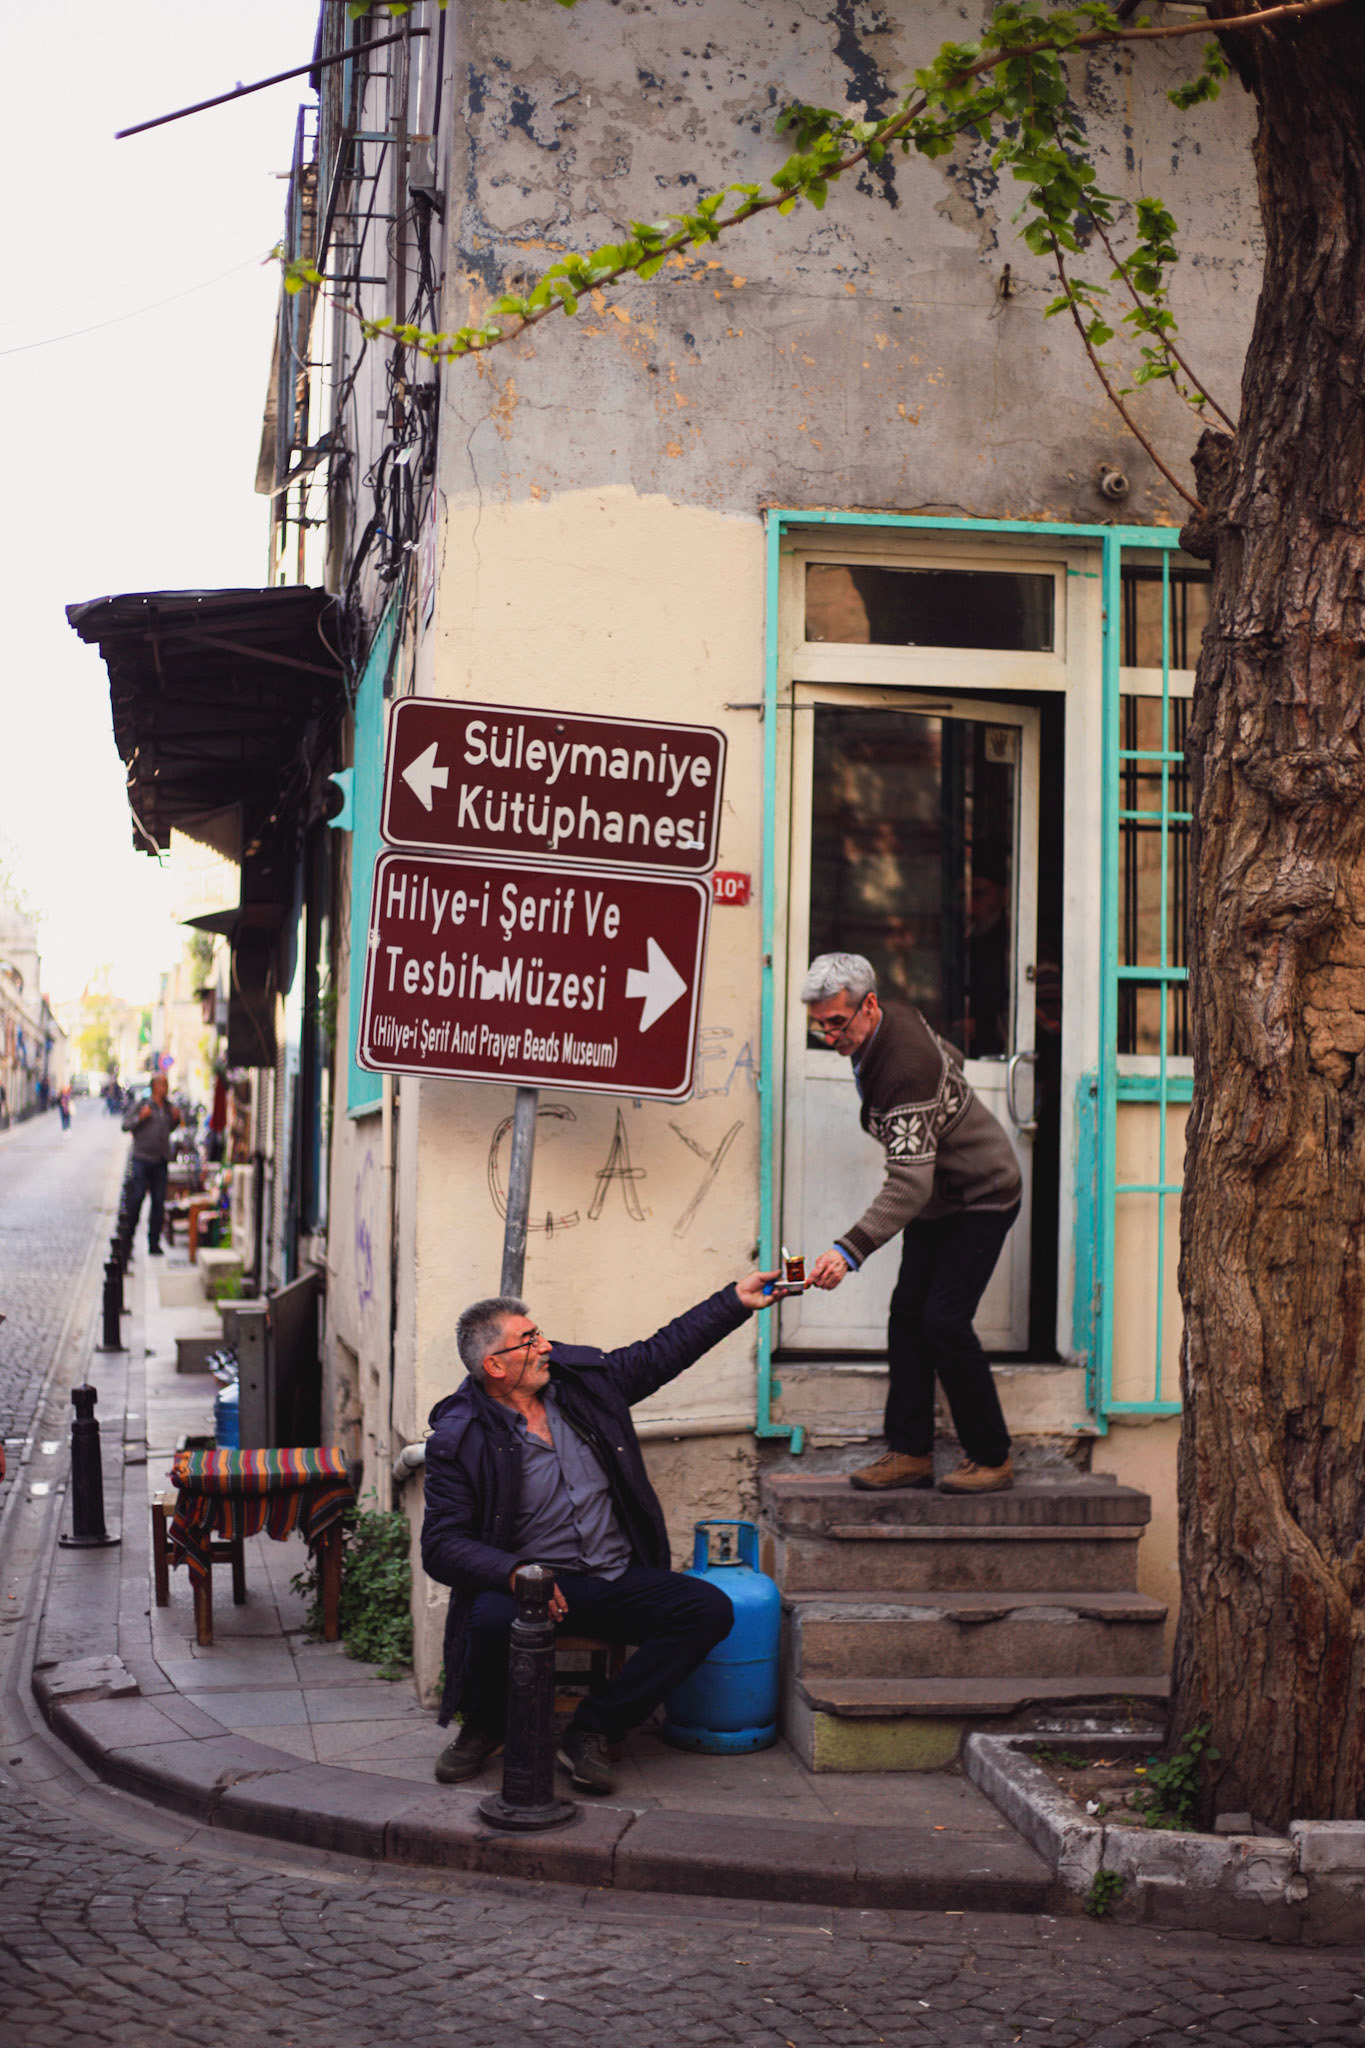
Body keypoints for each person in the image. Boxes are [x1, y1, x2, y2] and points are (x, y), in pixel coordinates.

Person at [422, 1268, 778, 1794]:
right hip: (533, 1585)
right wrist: (517, 1572)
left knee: (707, 1609)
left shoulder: (583, 1384)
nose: (546, 1346)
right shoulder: (461, 1435)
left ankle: (593, 1727)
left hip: (611, 1575)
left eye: (540, 1333)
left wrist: (734, 1302)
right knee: (487, 1618)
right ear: (494, 1366)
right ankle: (488, 1722)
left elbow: (661, 1352)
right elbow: (441, 1545)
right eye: (530, 1340)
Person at [802, 952, 1022, 1495]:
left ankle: (991, 1457)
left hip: (983, 1194)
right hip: (941, 1197)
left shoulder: (902, 1067)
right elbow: (954, 1058)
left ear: (869, 1006)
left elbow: (907, 1185)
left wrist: (848, 1250)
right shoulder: (894, 1018)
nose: (830, 1036)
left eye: (837, 1023)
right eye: (819, 1024)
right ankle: (910, 1453)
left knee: (944, 1323)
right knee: (908, 1318)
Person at [120, 1074, 182, 1256]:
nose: (167, 1087)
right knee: (137, 1197)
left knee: (158, 1203)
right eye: (164, 1084)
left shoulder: (168, 1108)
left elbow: (168, 1128)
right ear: (155, 1086)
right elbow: (125, 1125)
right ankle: (128, 1242)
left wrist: (176, 1120)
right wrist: (141, 1117)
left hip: (160, 1160)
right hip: (141, 1158)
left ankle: (153, 1243)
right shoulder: (143, 1105)